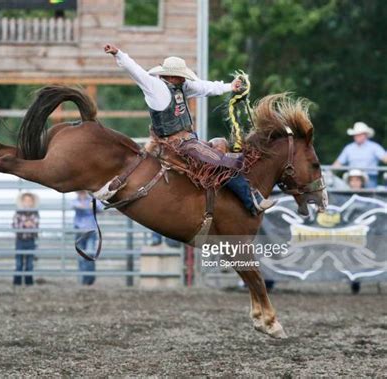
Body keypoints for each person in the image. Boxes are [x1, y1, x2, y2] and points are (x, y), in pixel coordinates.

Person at [104, 43, 275, 216]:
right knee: (222, 161)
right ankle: (253, 202)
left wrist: (229, 87)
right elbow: (136, 71)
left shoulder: (181, 87)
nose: (184, 79)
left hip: (189, 141)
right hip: (177, 145)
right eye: (180, 76)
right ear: (170, 76)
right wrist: (118, 54)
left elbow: (204, 87)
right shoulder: (155, 88)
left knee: (221, 146)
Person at [333, 122, 387, 188]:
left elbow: (385, 159)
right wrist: (328, 173)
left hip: (370, 177)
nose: (357, 136)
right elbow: (338, 164)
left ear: (366, 135)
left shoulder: (374, 147)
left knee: (370, 189)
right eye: (356, 134)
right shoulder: (349, 148)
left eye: (360, 134)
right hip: (351, 177)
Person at [71, 191, 104, 285]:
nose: (81, 193)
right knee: (81, 256)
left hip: (91, 231)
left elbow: (100, 208)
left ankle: (89, 279)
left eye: (82, 191)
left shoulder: (92, 199)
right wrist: (88, 207)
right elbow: (74, 205)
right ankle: (84, 279)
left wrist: (88, 207)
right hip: (79, 231)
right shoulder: (75, 201)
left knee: (89, 254)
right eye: (79, 192)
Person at [12, 192, 40, 286]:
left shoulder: (35, 213)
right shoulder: (18, 213)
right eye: (26, 200)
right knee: (19, 262)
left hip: (30, 240)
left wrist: (24, 224)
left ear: (32, 202)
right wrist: (26, 224)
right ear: (22, 202)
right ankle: (17, 282)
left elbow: (35, 224)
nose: (28, 202)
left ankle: (29, 281)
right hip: (20, 240)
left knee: (29, 263)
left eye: (30, 201)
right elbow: (15, 225)